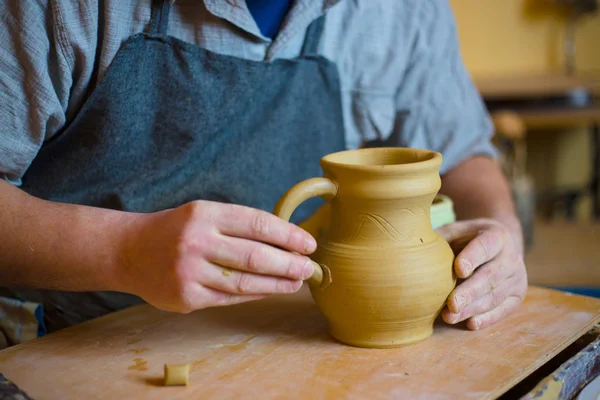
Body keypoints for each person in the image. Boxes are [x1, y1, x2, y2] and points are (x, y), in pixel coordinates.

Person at [0, 0, 527, 336]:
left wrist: (500, 239)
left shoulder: (402, 12)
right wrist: (125, 252)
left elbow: (462, 153)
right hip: (69, 338)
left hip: (282, 337)